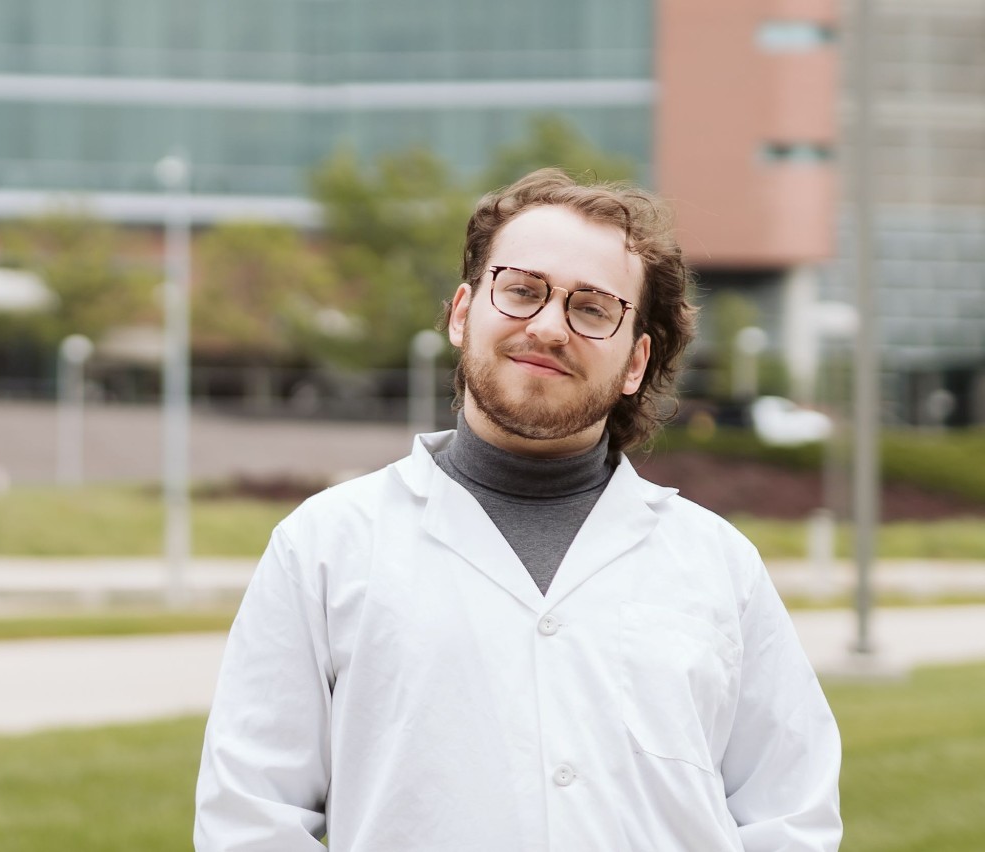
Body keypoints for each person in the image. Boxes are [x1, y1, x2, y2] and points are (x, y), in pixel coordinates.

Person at [195, 168, 842, 851]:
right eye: (523, 290)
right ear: (462, 312)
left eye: (592, 308)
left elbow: (790, 814)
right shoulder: (324, 548)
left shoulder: (718, 566)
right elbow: (250, 818)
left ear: (635, 362)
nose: (548, 326)